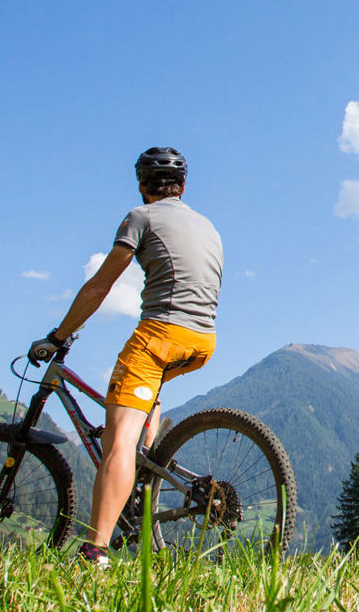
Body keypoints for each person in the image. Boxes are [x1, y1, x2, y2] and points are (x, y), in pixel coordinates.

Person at [28, 147, 223, 567]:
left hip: (159, 336)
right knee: (142, 405)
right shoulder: (207, 226)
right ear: (183, 188)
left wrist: (59, 335)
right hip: (201, 341)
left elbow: (100, 286)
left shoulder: (141, 216)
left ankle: (93, 552)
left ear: (141, 186)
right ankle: (147, 466)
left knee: (117, 444)